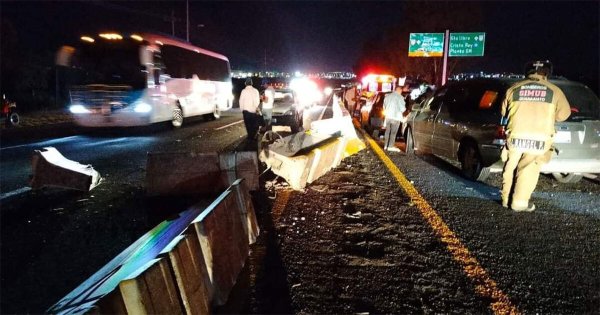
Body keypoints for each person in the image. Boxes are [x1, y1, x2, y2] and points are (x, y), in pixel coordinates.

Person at [500, 60, 571, 212]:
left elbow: (503, 112)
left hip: (515, 135)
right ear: (546, 73)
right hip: (539, 137)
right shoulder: (554, 90)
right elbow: (564, 114)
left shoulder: (514, 88)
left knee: (511, 166)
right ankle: (519, 203)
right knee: (528, 168)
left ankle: (506, 199)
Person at [382, 85, 406, 152]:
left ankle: (386, 145)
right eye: (401, 91)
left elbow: (384, 107)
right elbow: (402, 109)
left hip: (388, 117)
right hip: (396, 117)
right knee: (393, 132)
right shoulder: (400, 97)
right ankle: (390, 146)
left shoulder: (387, 97)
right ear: (399, 90)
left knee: (387, 131)